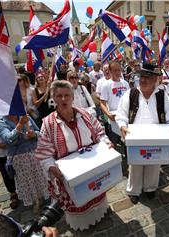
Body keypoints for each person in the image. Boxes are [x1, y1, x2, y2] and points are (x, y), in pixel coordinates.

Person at [35, 80, 112, 230]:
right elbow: (44, 153)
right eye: (59, 96)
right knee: (78, 200)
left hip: (91, 166)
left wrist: (106, 142)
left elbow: (99, 132)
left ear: (72, 97)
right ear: (53, 98)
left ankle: (99, 214)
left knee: (96, 192)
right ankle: (83, 225)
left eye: (67, 95)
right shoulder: (48, 123)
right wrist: (51, 166)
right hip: (69, 175)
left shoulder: (85, 114)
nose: (63, 99)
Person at [115, 63, 169, 204]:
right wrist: (122, 126)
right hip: (135, 138)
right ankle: (134, 190)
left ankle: (150, 188)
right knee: (135, 165)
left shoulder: (162, 95)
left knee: (154, 163)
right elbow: (121, 115)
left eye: (148, 77)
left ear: (155, 80)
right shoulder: (130, 94)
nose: (143, 80)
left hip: (156, 137)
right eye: (142, 77)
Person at [0, 115, 49, 212]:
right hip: (19, 157)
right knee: (28, 180)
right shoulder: (0, 122)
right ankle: (36, 201)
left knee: (42, 176)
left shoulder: (24, 115)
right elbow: (9, 140)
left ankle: (47, 196)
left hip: (34, 151)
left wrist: (34, 135)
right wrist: (20, 124)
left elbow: (40, 133)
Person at [100, 61, 130, 140]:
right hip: (114, 117)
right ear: (110, 71)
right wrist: (108, 114)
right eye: (115, 70)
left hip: (126, 115)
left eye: (119, 70)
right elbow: (102, 103)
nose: (117, 72)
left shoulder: (125, 84)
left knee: (128, 138)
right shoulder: (106, 85)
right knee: (115, 142)